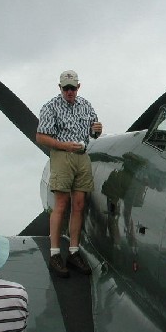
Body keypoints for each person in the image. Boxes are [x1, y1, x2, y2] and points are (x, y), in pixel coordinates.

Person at [36, 70, 102, 277]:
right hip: (62, 156)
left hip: (82, 156)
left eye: (73, 88)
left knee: (79, 205)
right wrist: (62, 145)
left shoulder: (86, 105)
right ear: (60, 88)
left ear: (78, 87)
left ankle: (74, 251)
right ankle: (55, 254)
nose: (69, 91)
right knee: (61, 205)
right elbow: (40, 136)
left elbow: (93, 132)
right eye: (66, 88)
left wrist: (97, 130)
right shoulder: (50, 107)